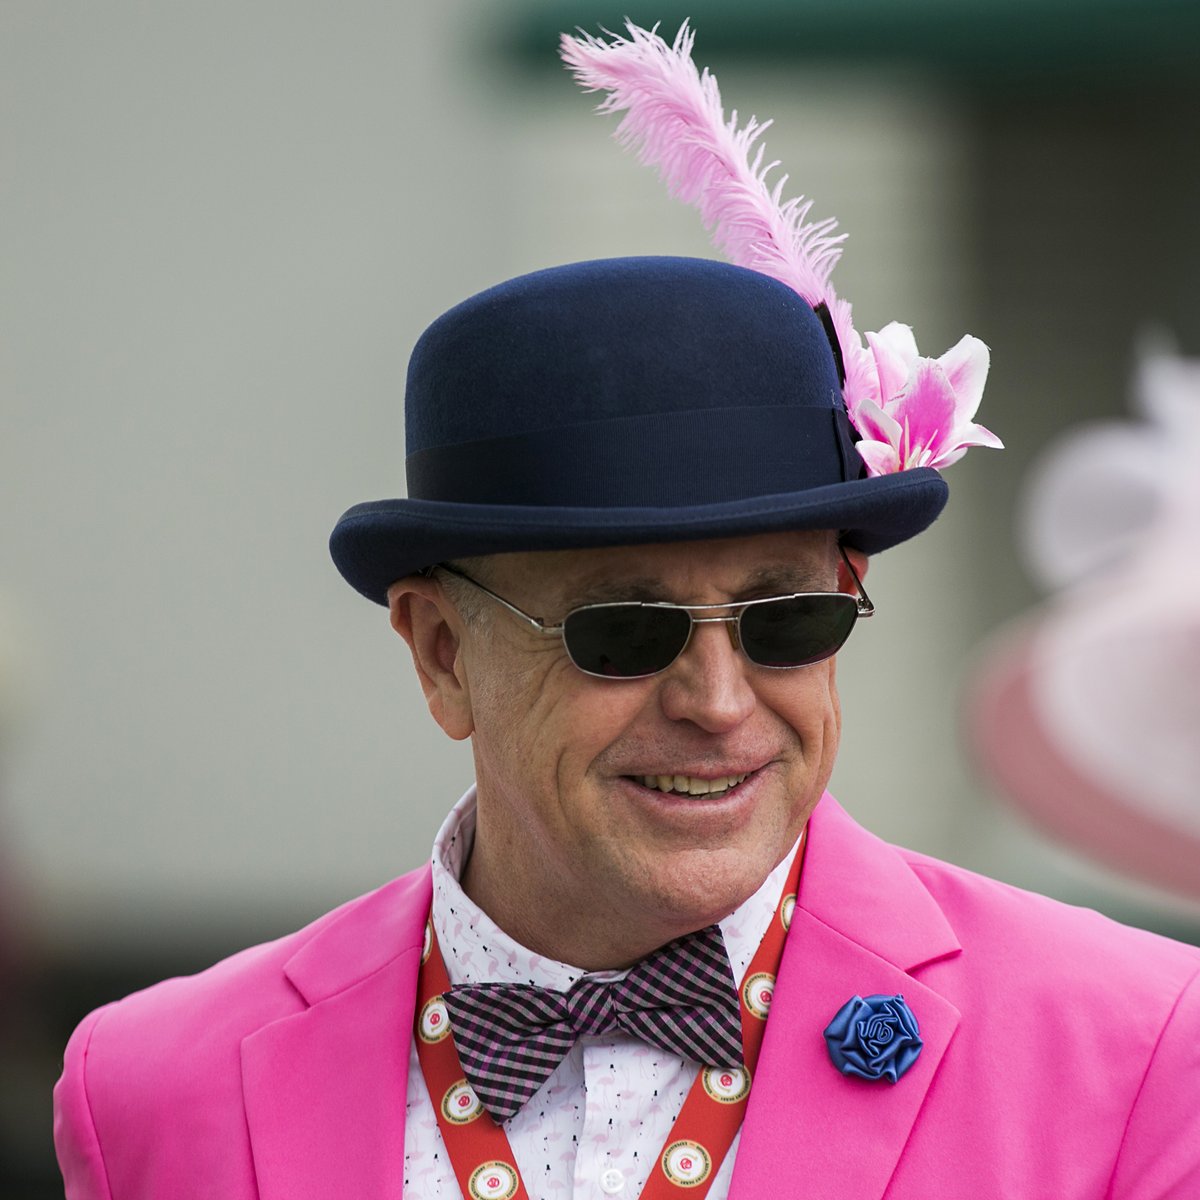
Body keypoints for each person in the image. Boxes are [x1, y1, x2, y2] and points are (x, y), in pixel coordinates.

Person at [53, 24, 1200, 1197]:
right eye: (625, 632)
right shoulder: (151, 1091)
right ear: (443, 654)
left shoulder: (1141, 1050)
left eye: (786, 618)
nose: (717, 702)